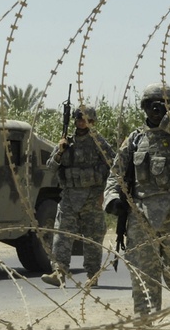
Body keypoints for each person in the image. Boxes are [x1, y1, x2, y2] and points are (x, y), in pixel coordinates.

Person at [102, 83, 170, 330]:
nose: (156, 109)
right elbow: (116, 173)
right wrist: (112, 198)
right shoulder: (135, 139)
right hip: (142, 215)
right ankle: (145, 327)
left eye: (162, 104)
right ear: (144, 108)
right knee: (143, 273)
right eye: (151, 104)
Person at [41, 104, 115, 288]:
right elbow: (50, 167)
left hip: (92, 197)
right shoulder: (67, 142)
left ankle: (93, 275)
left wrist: (104, 193)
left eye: (85, 120)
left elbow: (113, 167)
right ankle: (59, 272)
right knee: (62, 236)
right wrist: (60, 151)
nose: (81, 123)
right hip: (69, 198)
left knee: (92, 238)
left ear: (92, 121)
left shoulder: (99, 142)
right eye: (79, 119)